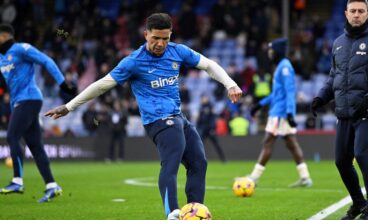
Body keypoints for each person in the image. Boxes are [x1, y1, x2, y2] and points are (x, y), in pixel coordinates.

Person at [44, 13, 242, 220]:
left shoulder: (178, 51)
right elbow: (102, 85)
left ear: (170, 36)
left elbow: (209, 65)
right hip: (157, 121)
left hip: (177, 116)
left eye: (165, 38)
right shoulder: (133, 62)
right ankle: (173, 213)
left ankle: (194, 212)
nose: (160, 43)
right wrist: (69, 106)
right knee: (171, 162)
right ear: (146, 34)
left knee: (199, 162)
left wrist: (230, 84)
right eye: (155, 38)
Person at [311, 1, 368, 219]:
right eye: (352, 11)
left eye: (360, 11)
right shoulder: (338, 43)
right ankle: (358, 204)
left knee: (363, 157)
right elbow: (333, 78)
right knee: (341, 162)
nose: (356, 15)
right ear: (346, 14)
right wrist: (321, 97)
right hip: (345, 112)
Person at [0, 23, 76, 202]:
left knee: (12, 136)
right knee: (35, 146)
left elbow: (46, 61)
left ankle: (17, 181)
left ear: (4, 36)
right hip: (17, 102)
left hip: (30, 98)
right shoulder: (1, 58)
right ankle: (52, 186)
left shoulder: (22, 49)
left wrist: (63, 84)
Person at [247, 38, 312, 188]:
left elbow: (290, 91)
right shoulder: (282, 66)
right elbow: (277, 93)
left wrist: (290, 113)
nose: (270, 54)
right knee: (291, 143)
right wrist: (260, 104)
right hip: (280, 111)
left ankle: (254, 177)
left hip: (279, 113)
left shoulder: (284, 68)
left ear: (277, 52)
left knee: (268, 141)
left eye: (271, 51)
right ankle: (305, 177)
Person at [197, 95, 226, 162]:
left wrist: (213, 128)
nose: (203, 100)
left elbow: (213, 118)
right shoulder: (201, 107)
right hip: (203, 129)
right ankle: (199, 159)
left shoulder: (210, 106)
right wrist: (198, 126)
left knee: (216, 144)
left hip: (210, 129)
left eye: (204, 98)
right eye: (202, 98)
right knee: (199, 144)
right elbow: (200, 119)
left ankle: (223, 159)